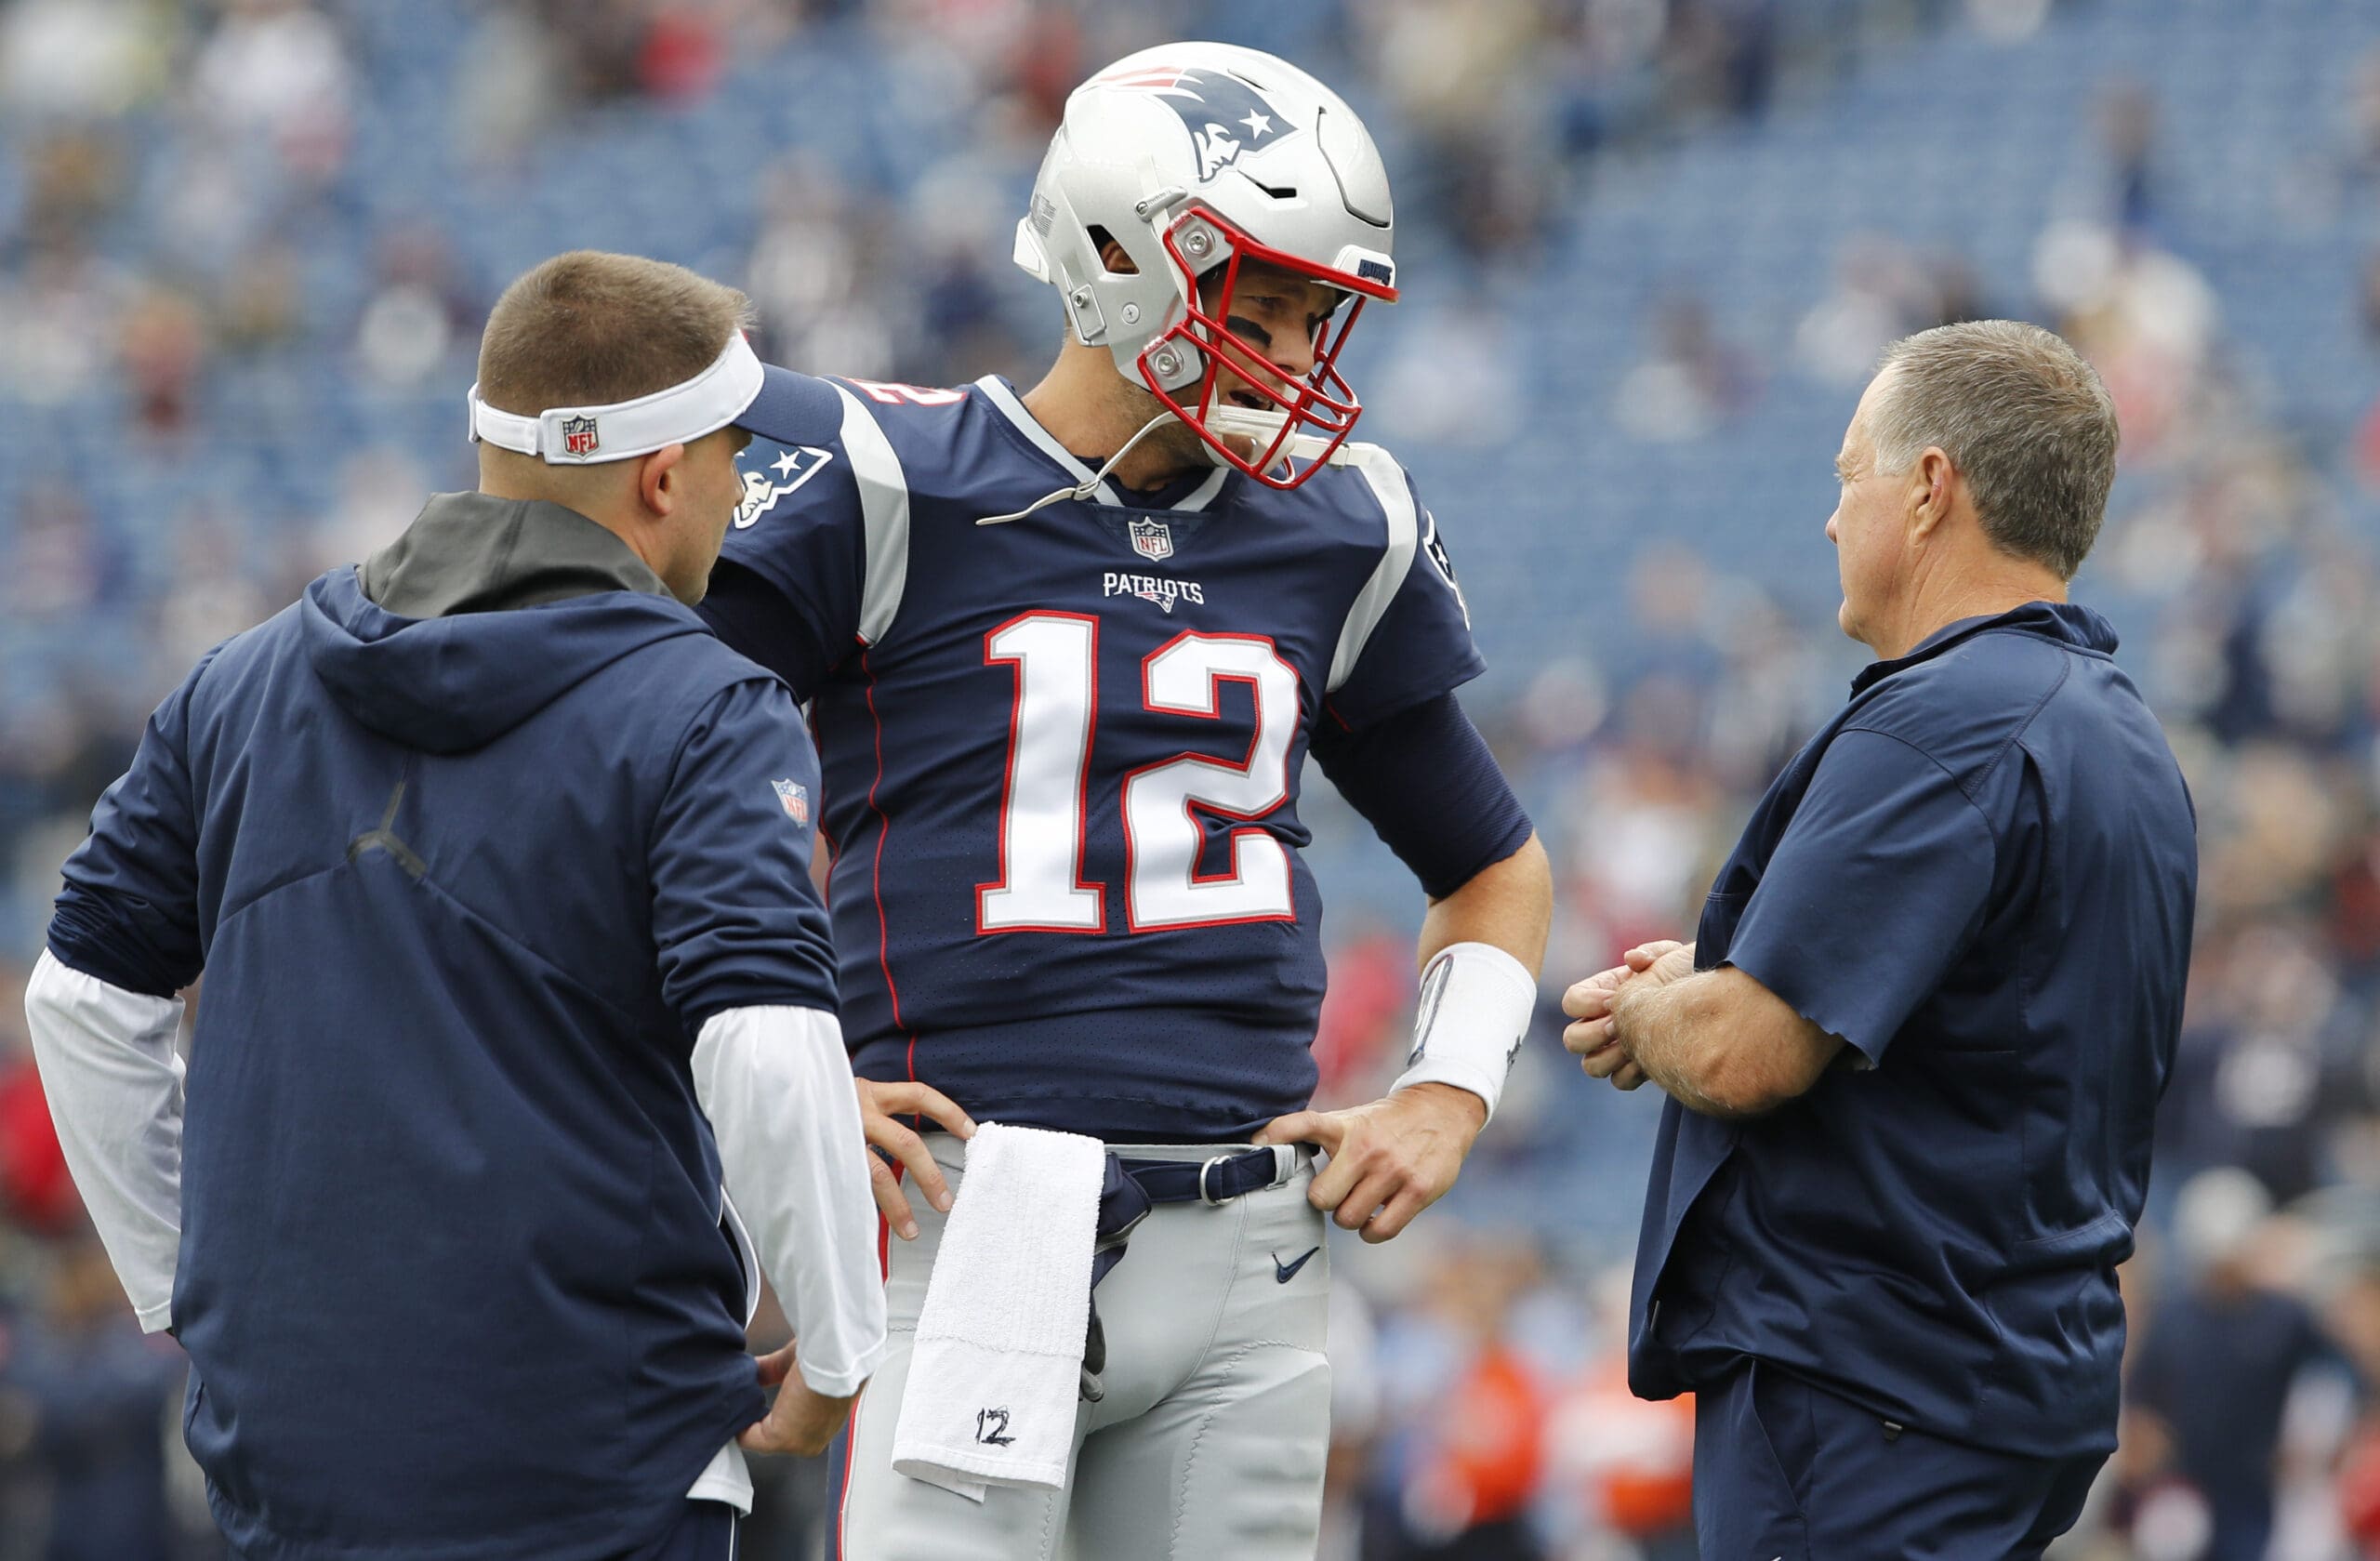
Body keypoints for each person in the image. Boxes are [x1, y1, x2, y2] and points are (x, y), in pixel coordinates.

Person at [697, 42, 1554, 1560]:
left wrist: (1447, 1085)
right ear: (1117, 260)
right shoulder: (898, 475)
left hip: (1254, 1246)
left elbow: (1494, 867)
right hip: (973, 1216)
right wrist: (782, 1068)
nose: (1299, 350)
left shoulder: (1338, 528)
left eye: (1315, 312)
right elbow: (652, 785)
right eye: (1266, 303)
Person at [22, 251, 891, 1561]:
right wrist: (833, 1348)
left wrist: (186, 1290)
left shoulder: (239, 683)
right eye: (732, 451)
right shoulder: (707, 707)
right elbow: (766, 1046)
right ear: (661, 477)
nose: (742, 484)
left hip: (292, 1465)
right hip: (603, 1457)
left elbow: (79, 999)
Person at [1561, 320, 2197, 1557]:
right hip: (2002, 1377)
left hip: (1871, 1385)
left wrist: (1653, 1012)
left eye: (1848, 474)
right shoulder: (2119, 733)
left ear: (1929, 488)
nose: (1830, 519)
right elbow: (1960, 1014)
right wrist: (1723, 983)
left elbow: (1751, 1054)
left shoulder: (1940, 722)